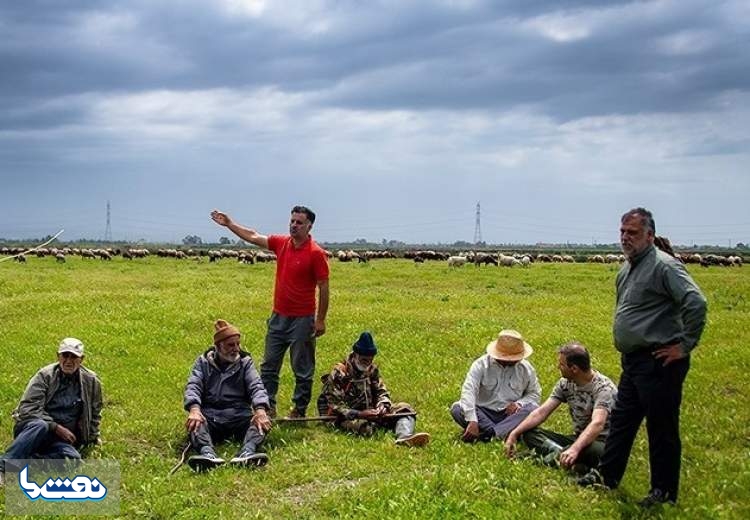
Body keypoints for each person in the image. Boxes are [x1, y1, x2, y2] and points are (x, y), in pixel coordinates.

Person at [578, 207, 708, 508]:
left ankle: (663, 493)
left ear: (649, 235)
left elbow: (696, 303)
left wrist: (684, 345)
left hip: (660, 361)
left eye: (633, 233)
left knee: (661, 427)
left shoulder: (665, 267)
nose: (625, 238)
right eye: (623, 232)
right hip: (634, 361)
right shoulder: (627, 268)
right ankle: (606, 477)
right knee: (622, 420)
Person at [211, 206, 330, 419]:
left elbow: (324, 287)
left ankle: (299, 410)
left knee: (302, 368)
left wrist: (320, 320)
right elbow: (253, 236)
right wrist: (230, 224)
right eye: (292, 221)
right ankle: (267, 406)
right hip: (278, 317)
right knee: (269, 366)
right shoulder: (281, 243)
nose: (294, 225)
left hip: (303, 319)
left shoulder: (316, 253)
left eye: (299, 222)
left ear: (310, 226)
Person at [0, 338, 103, 482]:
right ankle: (3, 467)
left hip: (61, 441)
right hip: (34, 430)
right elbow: (27, 408)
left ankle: (24, 464)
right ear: (58, 356)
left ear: (82, 359)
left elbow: (95, 411)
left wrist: (91, 436)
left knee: (72, 459)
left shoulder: (92, 381)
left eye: (74, 357)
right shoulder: (44, 376)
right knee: (40, 425)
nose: (68, 361)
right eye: (65, 356)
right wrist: (55, 427)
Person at [504, 342, 617, 473]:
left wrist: (575, 449)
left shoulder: (604, 388)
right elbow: (541, 412)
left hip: (600, 443)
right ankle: (567, 460)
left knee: (594, 452)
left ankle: (547, 458)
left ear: (574, 369)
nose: (558, 367)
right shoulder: (565, 384)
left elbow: (597, 423)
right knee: (529, 433)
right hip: (578, 438)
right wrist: (515, 433)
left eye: (562, 365)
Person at [184, 319, 273, 472]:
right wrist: (194, 409)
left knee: (260, 423)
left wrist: (260, 410)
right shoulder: (202, 363)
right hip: (211, 416)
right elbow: (194, 386)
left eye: (238, 344)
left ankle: (247, 452)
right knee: (196, 424)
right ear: (218, 346)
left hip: (239, 414)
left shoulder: (246, 363)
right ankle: (207, 454)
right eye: (231, 345)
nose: (236, 349)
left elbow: (256, 386)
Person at [317, 332, 430, 447]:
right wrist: (360, 414)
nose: (367, 363)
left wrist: (383, 406)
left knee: (406, 409)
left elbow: (381, 391)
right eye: (364, 360)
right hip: (346, 416)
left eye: (370, 360)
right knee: (365, 429)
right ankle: (382, 425)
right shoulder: (339, 373)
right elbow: (335, 405)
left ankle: (405, 436)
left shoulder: (372, 369)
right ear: (355, 355)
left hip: (372, 411)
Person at [451, 330, 541, 442]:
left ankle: (490, 434)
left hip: (510, 415)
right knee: (457, 408)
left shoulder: (526, 369)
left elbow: (535, 393)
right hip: (483, 413)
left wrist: (519, 403)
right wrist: (472, 420)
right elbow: (469, 391)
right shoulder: (481, 365)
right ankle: (503, 433)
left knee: (533, 409)